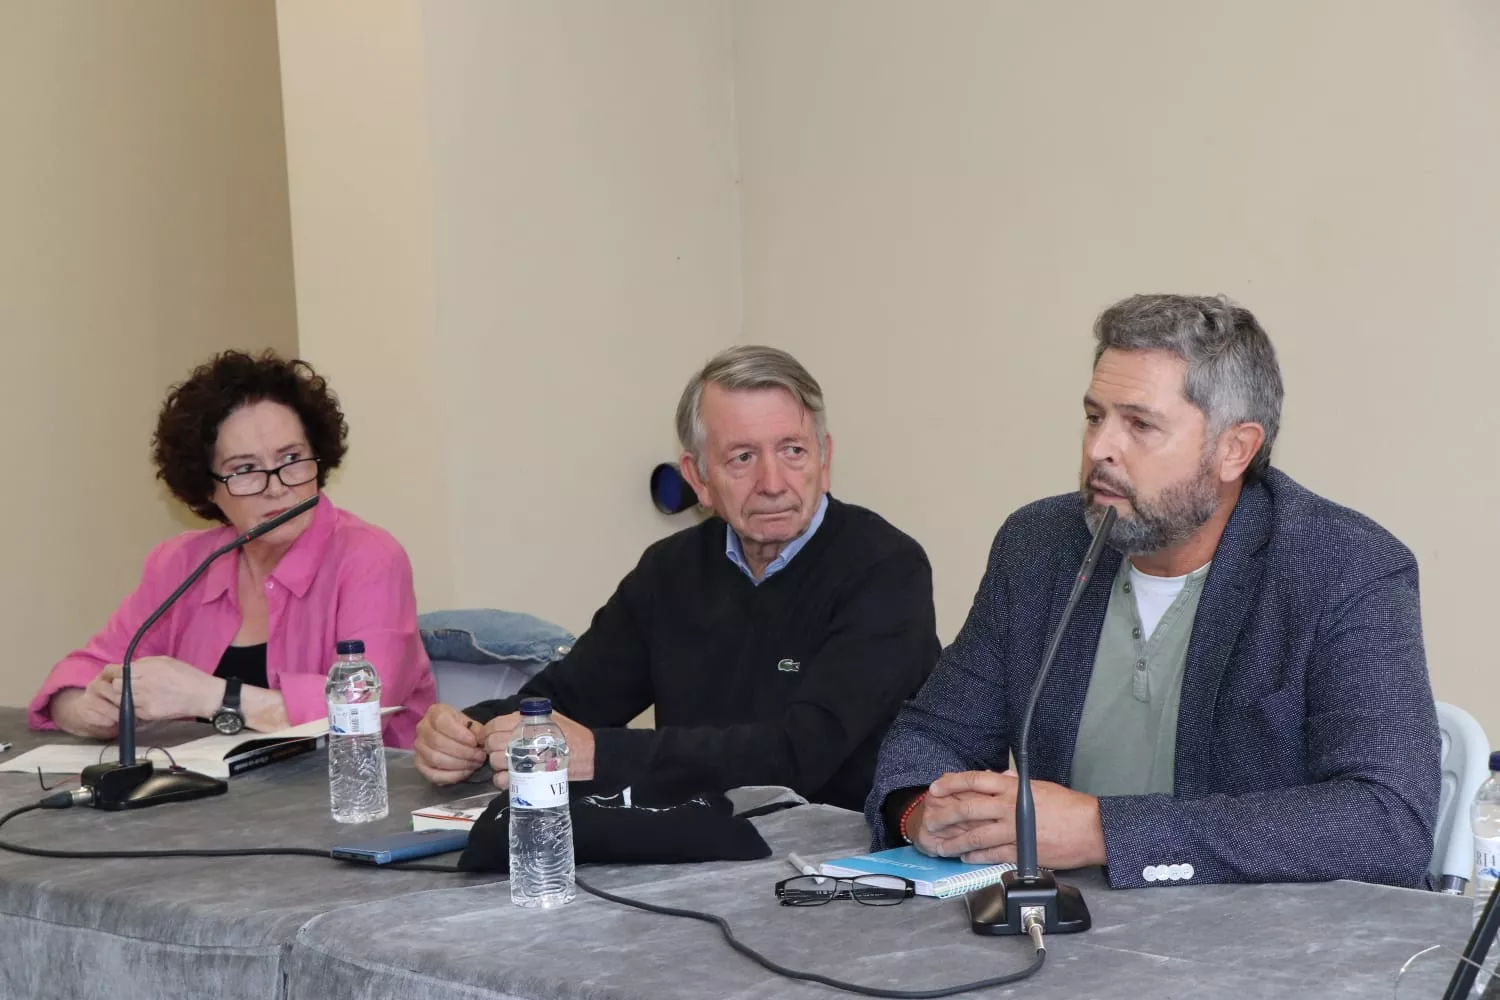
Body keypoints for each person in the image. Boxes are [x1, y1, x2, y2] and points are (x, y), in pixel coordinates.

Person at [868, 294, 1440, 888]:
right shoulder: (1039, 545)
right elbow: (935, 734)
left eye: (1139, 424)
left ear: (1234, 449)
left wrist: (1104, 831)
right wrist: (920, 814)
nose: (1100, 450)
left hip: (1268, 955)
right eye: (1095, 417)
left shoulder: (1346, 567)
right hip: (1075, 934)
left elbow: (1387, 821)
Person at [412, 346, 940, 811]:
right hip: (696, 845)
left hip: (845, 861)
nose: (773, 482)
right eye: (742, 457)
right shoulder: (670, 570)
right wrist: (469, 733)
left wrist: (603, 754)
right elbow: (570, 697)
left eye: (793, 450)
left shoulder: (886, 569)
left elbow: (801, 755)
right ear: (698, 478)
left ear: (825, 460)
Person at [29, 350, 435, 748]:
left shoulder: (370, 558)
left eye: (291, 459)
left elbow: (365, 709)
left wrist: (213, 697)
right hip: (216, 804)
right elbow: (78, 675)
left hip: (356, 798)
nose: (277, 487)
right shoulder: (181, 563)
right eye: (244, 470)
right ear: (208, 489)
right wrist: (88, 710)